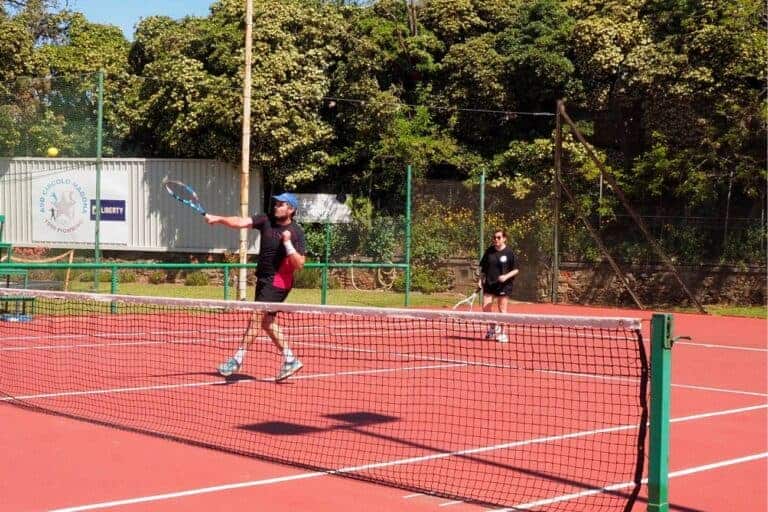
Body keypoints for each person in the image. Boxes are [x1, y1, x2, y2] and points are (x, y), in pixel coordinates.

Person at [204, 192, 306, 382]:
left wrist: (288, 243)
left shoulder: (296, 232)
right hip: (263, 279)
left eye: (281, 204)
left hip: (279, 281)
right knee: (267, 323)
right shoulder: (265, 220)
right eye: (275, 203)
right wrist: (217, 218)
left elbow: (299, 264)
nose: (276, 206)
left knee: (256, 317)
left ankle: (237, 358)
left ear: (291, 209)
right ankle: (291, 359)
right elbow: (240, 222)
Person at [478, 229, 519, 343]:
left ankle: (502, 333)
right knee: (486, 307)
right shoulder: (489, 251)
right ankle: (492, 328)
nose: (496, 239)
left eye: (499, 237)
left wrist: (506, 277)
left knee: (502, 309)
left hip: (503, 285)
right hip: (489, 284)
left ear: (504, 238)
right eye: (494, 237)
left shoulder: (509, 253)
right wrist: (480, 280)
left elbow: (516, 270)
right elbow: (483, 269)